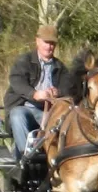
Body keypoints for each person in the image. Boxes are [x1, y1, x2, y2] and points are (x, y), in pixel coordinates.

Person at [4, 25, 65, 156]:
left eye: (52, 43)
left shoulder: (60, 67)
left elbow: (70, 87)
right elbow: (17, 81)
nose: (49, 47)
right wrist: (35, 94)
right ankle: (26, 156)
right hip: (26, 109)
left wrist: (57, 92)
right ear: (37, 41)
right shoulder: (24, 62)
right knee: (17, 115)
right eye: (46, 42)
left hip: (51, 112)